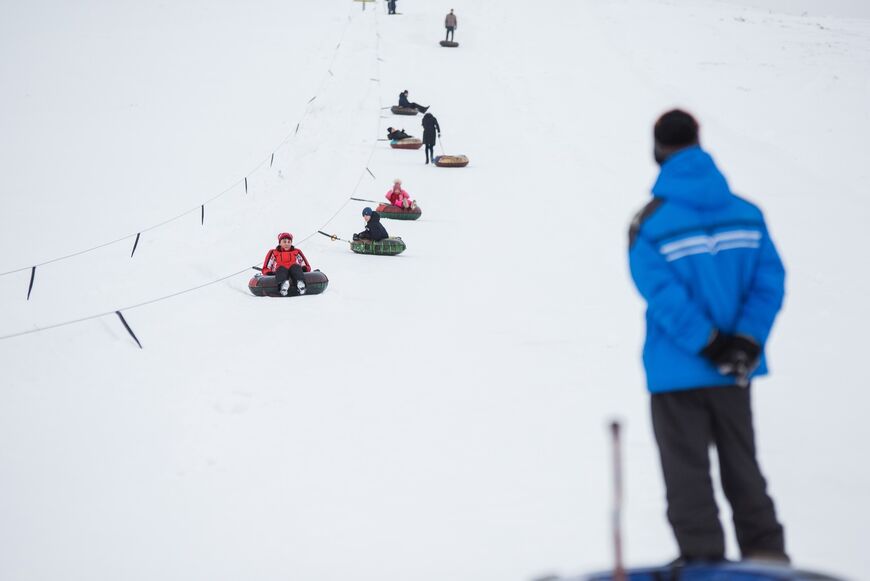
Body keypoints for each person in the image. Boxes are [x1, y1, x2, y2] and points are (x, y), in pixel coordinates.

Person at [628, 109, 788, 564]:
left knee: (687, 478)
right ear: (698, 142)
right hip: (734, 371)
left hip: (677, 374)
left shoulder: (650, 223)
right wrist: (744, 343)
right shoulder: (747, 214)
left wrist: (708, 343)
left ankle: (702, 567)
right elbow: (769, 281)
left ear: (657, 149)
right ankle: (769, 561)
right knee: (744, 470)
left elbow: (661, 294)